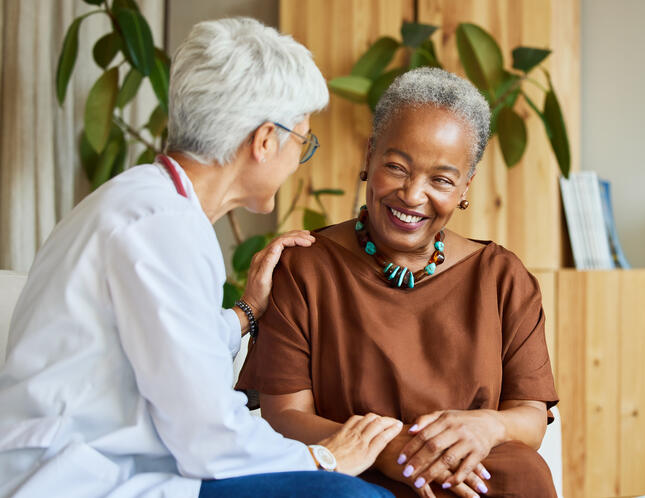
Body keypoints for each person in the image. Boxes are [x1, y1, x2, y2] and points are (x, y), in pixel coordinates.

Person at [0, 18, 401, 498]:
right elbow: (207, 435)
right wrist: (325, 458)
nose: (299, 160)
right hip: (74, 480)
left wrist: (246, 311)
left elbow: (168, 349)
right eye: (303, 142)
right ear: (265, 140)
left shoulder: (147, 205)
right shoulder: (161, 225)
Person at [236, 67, 559, 498]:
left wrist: (488, 426)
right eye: (396, 167)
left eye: (441, 180)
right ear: (369, 156)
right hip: (356, 472)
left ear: (466, 186)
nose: (412, 194)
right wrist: (387, 450)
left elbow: (530, 417)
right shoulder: (304, 268)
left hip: (469, 472)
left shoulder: (503, 277)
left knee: (525, 472)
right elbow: (284, 417)